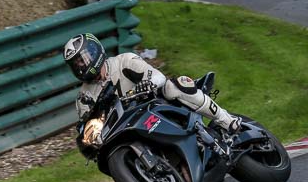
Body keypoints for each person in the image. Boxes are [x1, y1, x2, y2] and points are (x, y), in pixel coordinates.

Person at [63, 33, 242, 147]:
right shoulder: (83, 98)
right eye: (76, 64)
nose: (81, 66)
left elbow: (158, 77)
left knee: (173, 86)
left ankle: (226, 120)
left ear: (95, 51)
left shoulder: (124, 61)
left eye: (83, 59)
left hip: (156, 106)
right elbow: (88, 130)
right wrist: (90, 138)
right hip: (130, 130)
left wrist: (147, 84)